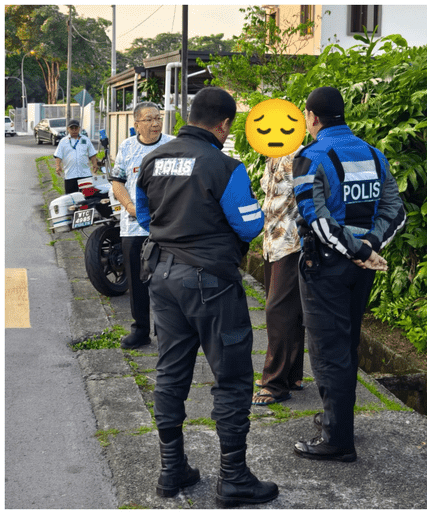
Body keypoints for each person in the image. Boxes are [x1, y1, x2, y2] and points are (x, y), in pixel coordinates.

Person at [135, 87, 278, 506]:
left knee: (170, 373)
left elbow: (145, 216)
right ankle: (233, 477)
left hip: (161, 277)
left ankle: (171, 469)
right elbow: (250, 225)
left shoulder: (152, 159)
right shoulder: (225, 166)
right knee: (232, 376)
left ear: (189, 115)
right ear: (224, 125)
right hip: (211, 283)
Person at [291, 86, 406, 462]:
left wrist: (358, 251)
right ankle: (335, 422)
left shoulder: (311, 156)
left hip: (325, 266)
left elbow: (316, 219)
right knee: (348, 344)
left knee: (328, 350)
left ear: (312, 117)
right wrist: (369, 247)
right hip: (361, 269)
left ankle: (338, 441)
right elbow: (396, 211)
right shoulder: (374, 154)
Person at [109, 102, 174, 350]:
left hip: (167, 226)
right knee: (137, 281)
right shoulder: (127, 147)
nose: (156, 123)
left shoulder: (172, 144)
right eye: (149, 119)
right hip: (134, 227)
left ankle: (167, 331)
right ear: (136, 124)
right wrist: (129, 206)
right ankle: (141, 330)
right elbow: (117, 181)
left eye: (158, 118)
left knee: (167, 280)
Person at [252, 147, 307, 406]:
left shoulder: (299, 154)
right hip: (272, 241)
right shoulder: (271, 156)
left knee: (278, 310)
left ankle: (275, 384)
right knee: (290, 311)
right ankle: (292, 376)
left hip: (291, 242)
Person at [54, 119, 99, 194]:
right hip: (70, 175)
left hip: (85, 174)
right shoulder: (63, 141)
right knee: (71, 198)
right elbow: (58, 155)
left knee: (87, 197)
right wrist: (58, 166)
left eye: (76, 128)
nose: (74, 130)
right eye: (72, 128)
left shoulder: (85, 140)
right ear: (68, 129)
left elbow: (92, 154)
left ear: (79, 128)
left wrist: (95, 164)